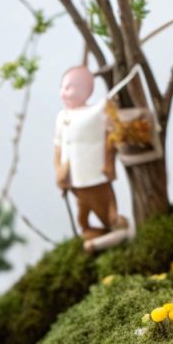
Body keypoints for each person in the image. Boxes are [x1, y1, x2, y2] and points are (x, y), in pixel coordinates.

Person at [54, 65, 128, 241]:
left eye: (68, 87)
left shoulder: (97, 111)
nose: (62, 93)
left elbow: (110, 130)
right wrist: (59, 172)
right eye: (62, 87)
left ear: (85, 90)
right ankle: (90, 229)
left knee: (104, 204)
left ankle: (113, 224)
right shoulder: (62, 116)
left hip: (95, 174)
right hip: (72, 177)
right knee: (82, 208)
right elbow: (58, 147)